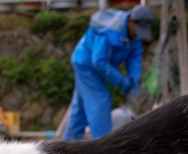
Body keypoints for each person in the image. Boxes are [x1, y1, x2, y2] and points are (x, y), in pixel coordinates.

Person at [63, 5, 155, 141]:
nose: (138, 34)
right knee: (101, 100)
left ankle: (69, 143)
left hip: (98, 67)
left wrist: (134, 80)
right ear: (130, 21)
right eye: (138, 30)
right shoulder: (109, 30)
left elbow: (135, 56)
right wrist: (121, 82)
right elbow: (98, 61)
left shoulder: (134, 37)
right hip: (86, 65)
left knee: (81, 106)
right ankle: (103, 146)